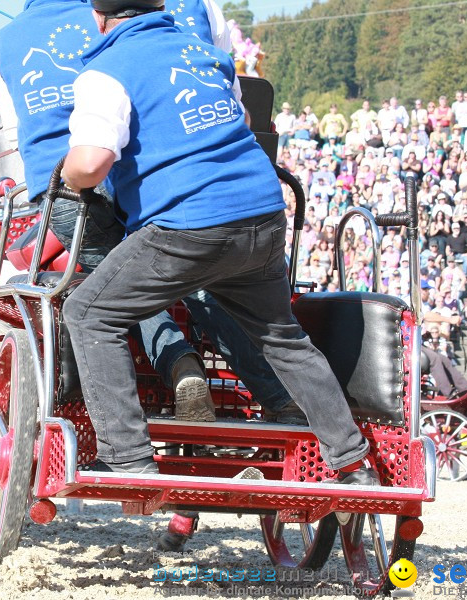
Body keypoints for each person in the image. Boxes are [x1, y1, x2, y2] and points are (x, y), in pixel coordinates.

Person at [59, 0, 376, 485]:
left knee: (88, 312)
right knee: (283, 338)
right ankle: (353, 462)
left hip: (188, 225)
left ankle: (126, 457)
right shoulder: (201, 52)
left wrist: (66, 175)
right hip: (262, 214)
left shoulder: (106, 70)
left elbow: (91, 163)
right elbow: (243, 124)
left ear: (100, 18)